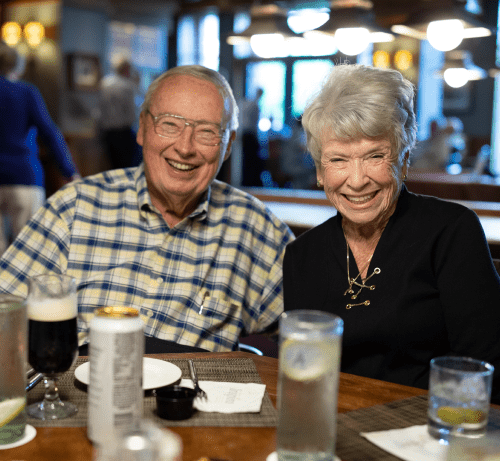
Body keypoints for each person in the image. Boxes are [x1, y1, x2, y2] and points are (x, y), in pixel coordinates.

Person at [0, 65, 294, 351]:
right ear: (141, 129)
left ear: (227, 146)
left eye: (207, 132)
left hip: (193, 397)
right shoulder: (73, 207)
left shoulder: (256, 229)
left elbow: (309, 332)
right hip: (78, 395)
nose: (185, 147)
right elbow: (4, 309)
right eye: (169, 125)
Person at [283, 64, 500, 397]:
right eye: (339, 160)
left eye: (375, 156)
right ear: (320, 171)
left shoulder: (451, 232)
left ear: (404, 157)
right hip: (336, 425)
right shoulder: (302, 254)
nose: (357, 181)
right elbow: (305, 373)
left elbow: (484, 371)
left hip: (428, 431)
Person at [0, 42, 80, 254]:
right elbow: (49, 132)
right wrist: (69, 171)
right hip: (23, 175)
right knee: (27, 251)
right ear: (18, 66)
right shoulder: (26, 92)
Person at [97, 55, 140, 170]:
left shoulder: (105, 83)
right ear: (126, 69)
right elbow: (131, 113)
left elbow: (100, 109)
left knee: (113, 167)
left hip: (107, 132)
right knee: (127, 167)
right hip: (123, 133)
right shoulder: (127, 86)